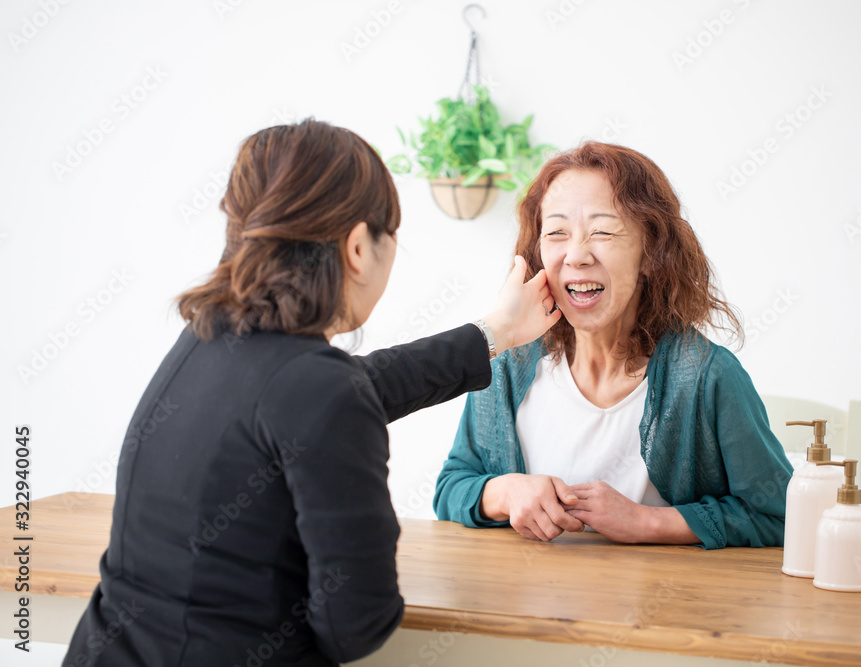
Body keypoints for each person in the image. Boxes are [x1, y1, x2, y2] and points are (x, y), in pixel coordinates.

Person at [62, 119, 561, 667]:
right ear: (357, 247)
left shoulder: (207, 340)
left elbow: (351, 389)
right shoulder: (317, 388)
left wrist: (495, 332)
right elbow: (358, 625)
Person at [434, 142, 793, 549]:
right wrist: (505, 493)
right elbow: (451, 488)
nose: (577, 255)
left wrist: (649, 522)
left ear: (651, 252)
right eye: (556, 233)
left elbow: (777, 515)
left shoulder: (707, 376)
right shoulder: (507, 367)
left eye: (602, 232)